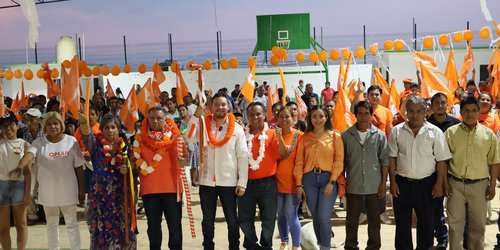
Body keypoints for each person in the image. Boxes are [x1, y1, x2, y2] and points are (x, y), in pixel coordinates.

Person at [12, 111, 85, 250]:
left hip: (68, 191)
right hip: (47, 192)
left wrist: (82, 190)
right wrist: (20, 165)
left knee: (72, 224)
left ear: (61, 124)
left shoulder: (71, 141)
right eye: (49, 124)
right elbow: (30, 154)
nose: (53, 127)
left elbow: (79, 167)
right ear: (45, 127)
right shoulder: (39, 142)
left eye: (56, 123)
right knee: (51, 224)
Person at [388, 96, 451, 250]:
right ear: (406, 112)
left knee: (426, 224)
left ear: (425, 112)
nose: (414, 115)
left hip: (427, 185)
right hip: (402, 184)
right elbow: (392, 158)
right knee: (402, 224)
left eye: (419, 111)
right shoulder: (397, 131)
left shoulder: (435, 132)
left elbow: (441, 160)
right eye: (411, 111)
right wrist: (393, 182)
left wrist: (438, 184)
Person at [187, 93, 248, 250]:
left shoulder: (237, 129)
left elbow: (242, 156)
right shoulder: (202, 124)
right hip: (207, 181)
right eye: (216, 105)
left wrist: (242, 182)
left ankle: (234, 247)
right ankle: (208, 247)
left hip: (229, 182)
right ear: (211, 107)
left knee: (232, 221)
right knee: (207, 220)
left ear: (228, 107)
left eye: (223, 104)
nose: (220, 107)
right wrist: (195, 117)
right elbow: (188, 136)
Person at [444, 96, 500, 250]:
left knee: (478, 226)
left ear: (478, 111)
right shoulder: (450, 133)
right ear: (461, 112)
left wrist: (492, 184)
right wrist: (444, 183)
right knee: (455, 226)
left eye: (474, 110)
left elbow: (494, 161)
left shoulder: (488, 135)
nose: (470, 114)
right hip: (455, 184)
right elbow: (443, 162)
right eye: (466, 111)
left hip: (479, 186)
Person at [131, 106, 187, 250]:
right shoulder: (139, 139)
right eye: (152, 118)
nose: (156, 121)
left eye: (159, 118)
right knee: (153, 228)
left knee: (175, 227)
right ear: (147, 120)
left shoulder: (175, 137)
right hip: (150, 190)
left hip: (172, 190)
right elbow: (134, 161)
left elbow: (184, 157)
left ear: (165, 119)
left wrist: (183, 161)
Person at [80, 113, 137, 249]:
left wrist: (127, 168)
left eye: (113, 127)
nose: (110, 130)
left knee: (122, 225)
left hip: (121, 192)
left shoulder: (125, 147)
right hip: (100, 194)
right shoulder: (96, 146)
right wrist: (83, 123)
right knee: (102, 226)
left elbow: (135, 169)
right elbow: (87, 135)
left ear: (118, 129)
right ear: (101, 130)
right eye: (106, 127)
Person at [294, 105, 344, 250]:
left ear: (326, 118)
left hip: (328, 179)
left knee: (323, 217)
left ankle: (326, 246)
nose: (317, 119)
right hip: (309, 180)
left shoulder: (335, 136)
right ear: (310, 118)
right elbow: (299, 162)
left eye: (321, 116)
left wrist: (332, 181)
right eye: (314, 116)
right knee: (315, 217)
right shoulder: (304, 138)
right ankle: (321, 245)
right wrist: (299, 184)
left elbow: (339, 161)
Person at [342, 101, 389, 250]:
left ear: (371, 115)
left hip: (374, 186)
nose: (363, 116)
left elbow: (385, 161)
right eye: (360, 113)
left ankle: (374, 246)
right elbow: (341, 161)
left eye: (366, 113)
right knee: (351, 220)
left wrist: (383, 184)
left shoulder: (380, 136)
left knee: (374, 220)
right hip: (353, 185)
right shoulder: (346, 135)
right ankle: (351, 246)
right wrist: (342, 183)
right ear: (355, 115)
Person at [239, 102, 282, 250]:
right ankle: (251, 244)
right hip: (246, 184)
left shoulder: (271, 134)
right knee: (244, 218)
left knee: (269, 218)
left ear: (264, 115)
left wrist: (280, 137)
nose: (255, 117)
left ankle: (266, 245)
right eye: (251, 114)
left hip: (268, 184)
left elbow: (280, 153)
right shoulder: (241, 134)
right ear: (247, 116)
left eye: (258, 114)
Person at [426, 93, 460, 249]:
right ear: (431, 106)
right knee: (436, 209)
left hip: (455, 172)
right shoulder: (425, 125)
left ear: (448, 105)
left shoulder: (456, 124)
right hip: (433, 174)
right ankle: (442, 238)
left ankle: (462, 238)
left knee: (458, 209)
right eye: (437, 103)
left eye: (443, 103)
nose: (440, 106)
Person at [0, 111, 31, 250]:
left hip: (19, 185)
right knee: (3, 226)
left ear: (17, 126)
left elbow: (28, 172)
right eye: (4, 126)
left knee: (21, 224)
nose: (8, 128)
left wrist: (28, 193)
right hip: (1, 186)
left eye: (11, 124)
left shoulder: (25, 145)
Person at [275, 106, 304, 250]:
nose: (284, 119)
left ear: (294, 119)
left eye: (287, 116)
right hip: (276, 183)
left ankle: (295, 245)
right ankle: (284, 242)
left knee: (292, 216)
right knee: (280, 215)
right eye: (281, 116)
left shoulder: (301, 136)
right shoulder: (272, 135)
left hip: (293, 183)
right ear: (277, 119)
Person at [17, 108, 43, 225]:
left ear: (38, 120)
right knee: (29, 191)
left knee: (46, 190)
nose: (29, 122)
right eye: (27, 119)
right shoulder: (23, 132)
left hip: (45, 164)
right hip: (30, 164)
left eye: (32, 119)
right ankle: (32, 215)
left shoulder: (46, 132)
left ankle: (53, 214)